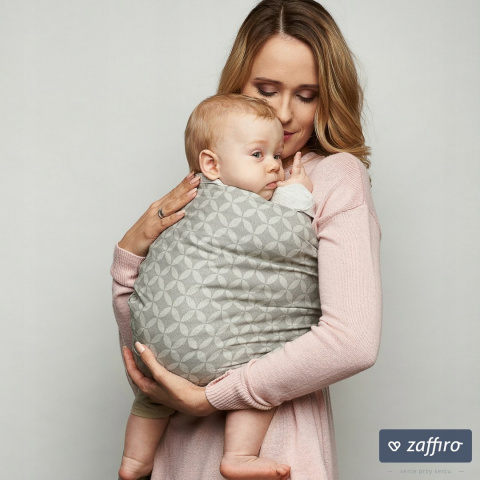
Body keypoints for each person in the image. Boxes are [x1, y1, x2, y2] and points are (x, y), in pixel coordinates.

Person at [111, 1, 382, 479]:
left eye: (307, 95)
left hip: (274, 447)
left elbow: (352, 340)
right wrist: (130, 252)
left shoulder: (335, 177)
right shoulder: (215, 178)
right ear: (239, 84)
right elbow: (148, 337)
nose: (284, 113)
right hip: (176, 452)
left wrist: (212, 396)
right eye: (266, 90)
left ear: (328, 99)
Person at [119, 93, 317, 480]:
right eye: (258, 155)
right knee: (258, 369)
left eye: (277, 155)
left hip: (155, 348)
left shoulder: (180, 206)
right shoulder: (242, 207)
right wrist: (298, 194)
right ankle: (239, 455)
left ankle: (134, 460)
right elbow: (291, 235)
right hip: (212, 349)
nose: (274, 166)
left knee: (151, 399)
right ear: (211, 164)